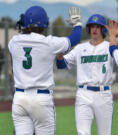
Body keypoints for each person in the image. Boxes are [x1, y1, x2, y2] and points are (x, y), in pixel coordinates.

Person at [9, 5, 82, 135]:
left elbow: (24, 36)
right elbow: (75, 38)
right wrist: (77, 24)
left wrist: (24, 26)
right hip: (41, 98)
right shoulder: (49, 43)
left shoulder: (14, 41)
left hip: (20, 97)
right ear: (45, 23)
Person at [56, 14, 118, 135]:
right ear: (88, 29)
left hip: (104, 94)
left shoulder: (109, 46)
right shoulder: (80, 48)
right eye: (92, 26)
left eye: (98, 26)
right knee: (82, 133)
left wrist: (117, 39)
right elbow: (61, 65)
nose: (94, 29)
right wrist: (59, 55)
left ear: (103, 29)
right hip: (84, 94)